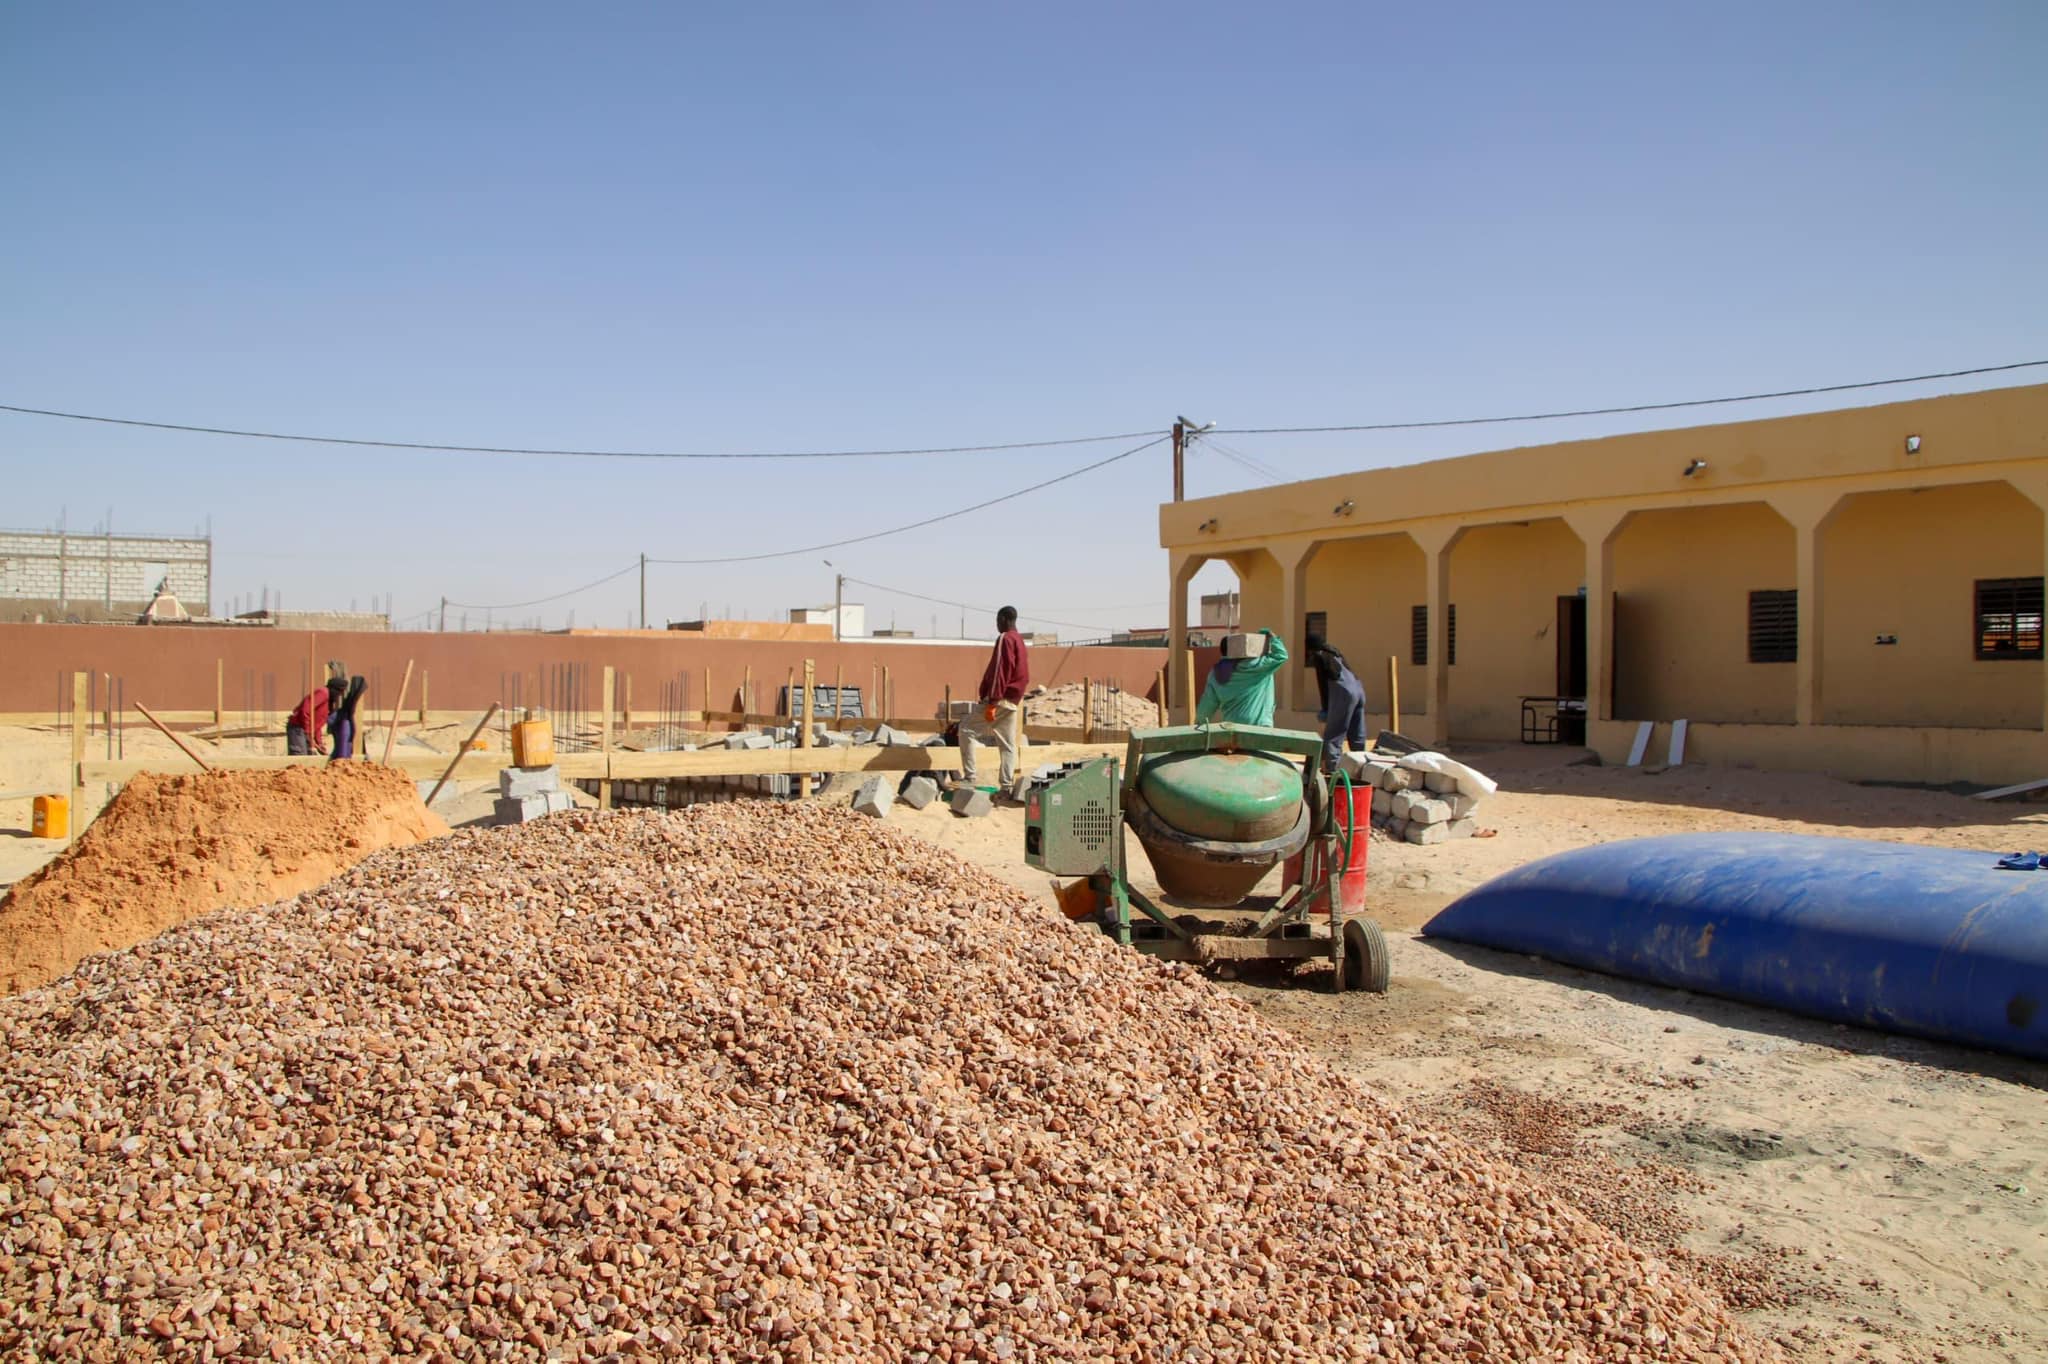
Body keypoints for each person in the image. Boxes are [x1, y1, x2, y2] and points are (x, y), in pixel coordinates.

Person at [958, 606, 1030, 794]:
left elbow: (1000, 670)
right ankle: (1006, 786)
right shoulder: (1020, 641)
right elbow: (1022, 673)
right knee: (1007, 745)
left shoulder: (1006, 639)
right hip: (1012, 702)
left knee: (966, 730)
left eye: (998, 621)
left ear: (1005, 619)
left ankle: (970, 776)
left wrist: (993, 701)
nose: (996, 625)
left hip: (999, 699)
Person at [1196, 627, 1289, 727]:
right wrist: (1273, 638)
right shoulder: (1260, 666)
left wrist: (1198, 724)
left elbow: (1207, 706)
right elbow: (1281, 655)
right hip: (1260, 727)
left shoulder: (1216, 673)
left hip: (1232, 728)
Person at [1306, 632, 1368, 771]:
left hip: (1344, 693)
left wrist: (1326, 709)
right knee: (1357, 732)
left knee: (1334, 735)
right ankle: (1362, 768)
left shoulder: (1319, 656)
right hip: (1358, 689)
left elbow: (1323, 684)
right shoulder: (1335, 652)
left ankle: (1333, 771)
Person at [285, 678, 343, 757]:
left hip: (307, 730)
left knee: (310, 755)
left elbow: (317, 724)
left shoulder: (329, 702)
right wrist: (307, 731)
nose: (340, 695)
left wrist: (319, 743)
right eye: (340, 692)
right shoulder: (323, 693)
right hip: (299, 727)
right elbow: (305, 710)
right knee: (299, 755)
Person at [327, 674, 366, 761]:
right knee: (343, 749)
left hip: (342, 726)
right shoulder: (344, 717)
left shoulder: (346, 713)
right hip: (342, 726)